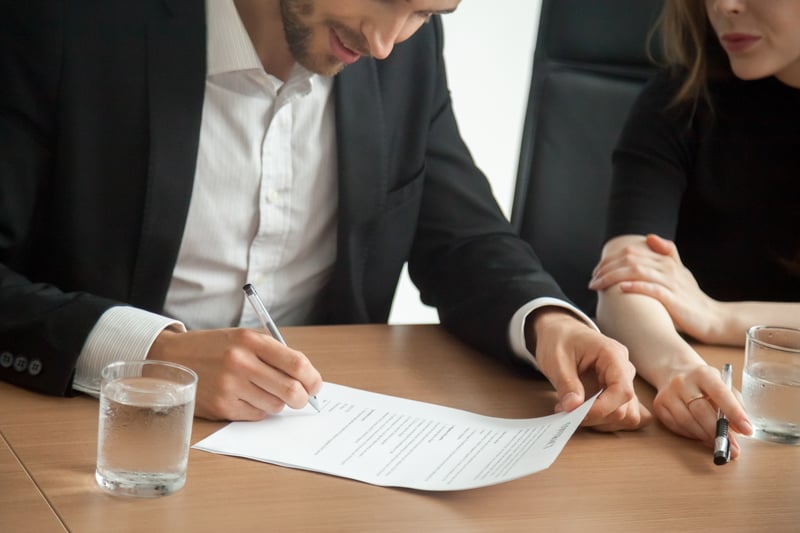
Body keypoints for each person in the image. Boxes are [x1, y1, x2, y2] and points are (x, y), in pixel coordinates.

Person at [0, 0, 651, 430]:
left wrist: (546, 322)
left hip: (314, 450)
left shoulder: (404, 52)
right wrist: (150, 356)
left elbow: (465, 236)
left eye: (425, 10)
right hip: (99, 439)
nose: (384, 41)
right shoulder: (65, 23)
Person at [589, 0, 800, 456]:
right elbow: (626, 275)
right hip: (723, 419)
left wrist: (717, 317)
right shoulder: (680, 97)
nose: (724, 5)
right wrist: (677, 366)